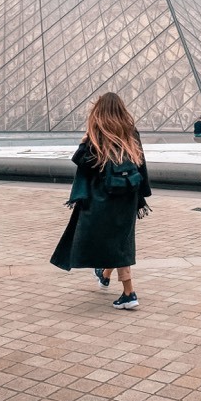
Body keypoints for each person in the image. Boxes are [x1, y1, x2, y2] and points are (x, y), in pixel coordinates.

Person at [50, 92, 152, 310]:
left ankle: (129, 293)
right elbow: (141, 164)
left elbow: (82, 161)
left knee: (117, 244)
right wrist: (141, 197)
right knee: (119, 239)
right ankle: (105, 274)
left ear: (100, 110)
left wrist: (84, 142)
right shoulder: (131, 132)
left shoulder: (98, 133)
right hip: (127, 196)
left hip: (103, 196)